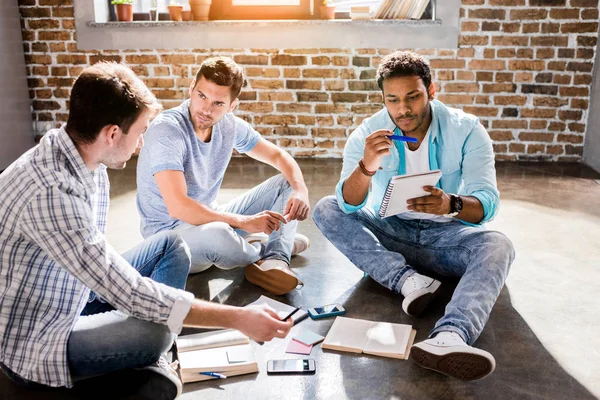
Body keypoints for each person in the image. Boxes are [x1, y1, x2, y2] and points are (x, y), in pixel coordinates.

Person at [0, 62, 293, 399]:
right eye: (139, 132)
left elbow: (100, 265)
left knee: (171, 245)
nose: (141, 144)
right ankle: (152, 355)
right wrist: (238, 318)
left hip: (73, 291)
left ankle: (151, 354)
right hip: (40, 337)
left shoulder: (81, 159)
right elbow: (126, 290)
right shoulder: (52, 193)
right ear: (112, 133)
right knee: (154, 335)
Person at [313, 51, 515, 381]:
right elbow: (348, 205)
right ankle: (409, 281)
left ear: (431, 91)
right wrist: (366, 167)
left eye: (412, 97)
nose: (403, 110)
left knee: (498, 246)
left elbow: (487, 203)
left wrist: (452, 204)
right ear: (383, 99)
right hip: (392, 231)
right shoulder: (368, 133)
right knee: (326, 208)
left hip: (447, 238)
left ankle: (450, 336)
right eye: (392, 100)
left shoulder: (467, 130)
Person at [136, 56, 311, 295]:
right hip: (171, 238)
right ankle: (266, 247)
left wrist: (301, 189)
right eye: (201, 96)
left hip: (212, 218)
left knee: (286, 183)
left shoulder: (229, 125)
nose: (206, 109)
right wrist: (244, 222)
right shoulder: (168, 130)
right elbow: (178, 207)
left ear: (232, 106)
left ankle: (275, 259)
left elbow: (279, 157)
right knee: (218, 234)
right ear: (191, 89)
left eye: (218, 103)